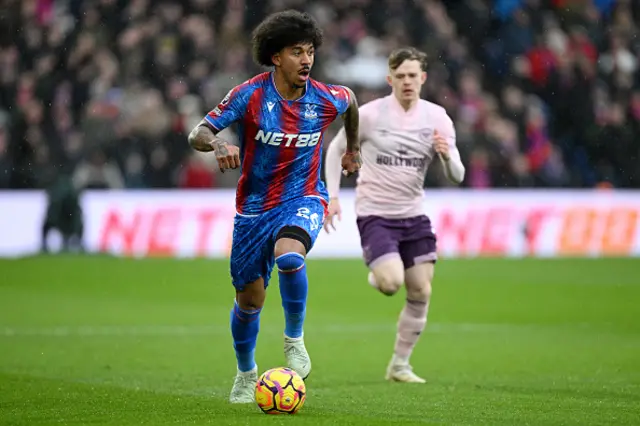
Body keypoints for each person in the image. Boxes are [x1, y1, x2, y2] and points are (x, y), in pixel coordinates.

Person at [187, 10, 362, 403]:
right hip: (253, 210)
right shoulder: (249, 95)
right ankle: (246, 372)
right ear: (276, 57)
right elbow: (197, 132)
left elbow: (351, 103)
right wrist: (216, 144)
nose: (306, 60)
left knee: (289, 256)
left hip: (304, 198)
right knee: (249, 300)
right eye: (297, 52)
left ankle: (294, 340)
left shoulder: (325, 98)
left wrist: (353, 149)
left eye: (310, 51)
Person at [324, 47, 465, 383]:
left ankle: (399, 365)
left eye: (412, 76)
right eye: (400, 76)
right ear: (390, 79)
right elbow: (335, 149)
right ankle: (380, 273)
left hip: (414, 215)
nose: (406, 82)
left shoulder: (437, 118)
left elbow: (458, 175)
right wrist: (332, 196)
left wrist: (446, 158)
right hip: (375, 213)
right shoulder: (370, 115)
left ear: (423, 78)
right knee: (391, 284)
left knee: (422, 292)